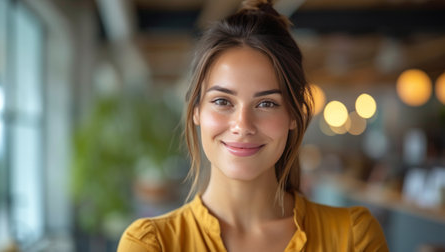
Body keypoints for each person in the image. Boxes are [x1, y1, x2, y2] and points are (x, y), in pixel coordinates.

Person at [117, 0, 389, 251]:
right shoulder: (151, 244)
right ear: (196, 111)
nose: (242, 125)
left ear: (294, 114)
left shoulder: (353, 237)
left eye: (266, 103)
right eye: (223, 101)